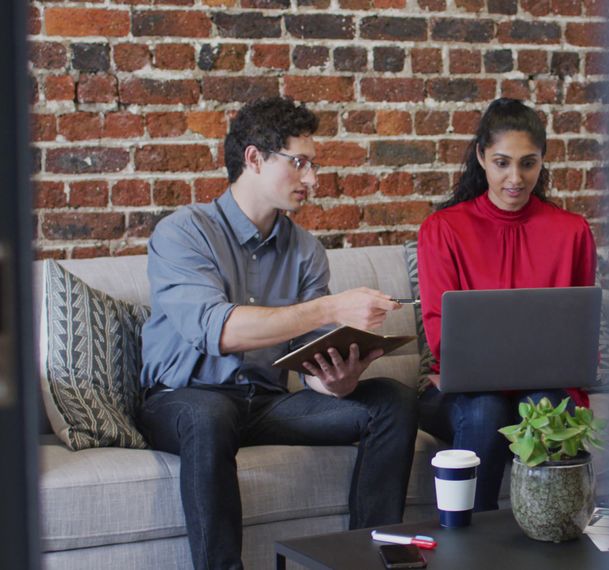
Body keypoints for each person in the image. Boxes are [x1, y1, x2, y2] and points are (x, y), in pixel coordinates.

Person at [137, 97, 417, 570]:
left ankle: (366, 561)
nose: (312, 179)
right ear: (254, 159)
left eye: (314, 164)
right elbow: (219, 330)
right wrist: (330, 307)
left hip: (264, 404)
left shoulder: (306, 250)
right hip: (181, 399)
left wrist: (335, 380)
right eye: (299, 163)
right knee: (209, 417)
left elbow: (309, 363)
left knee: (392, 400)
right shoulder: (183, 232)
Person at [416, 98, 597, 511]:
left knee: (544, 405)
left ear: (542, 160)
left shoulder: (572, 232)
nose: (515, 178)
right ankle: (469, 541)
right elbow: (441, 334)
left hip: (545, 385)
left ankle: (551, 533)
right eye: (502, 163)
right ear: (481, 157)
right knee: (486, 409)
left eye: (528, 163)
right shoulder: (443, 229)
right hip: (463, 392)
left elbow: (577, 331)